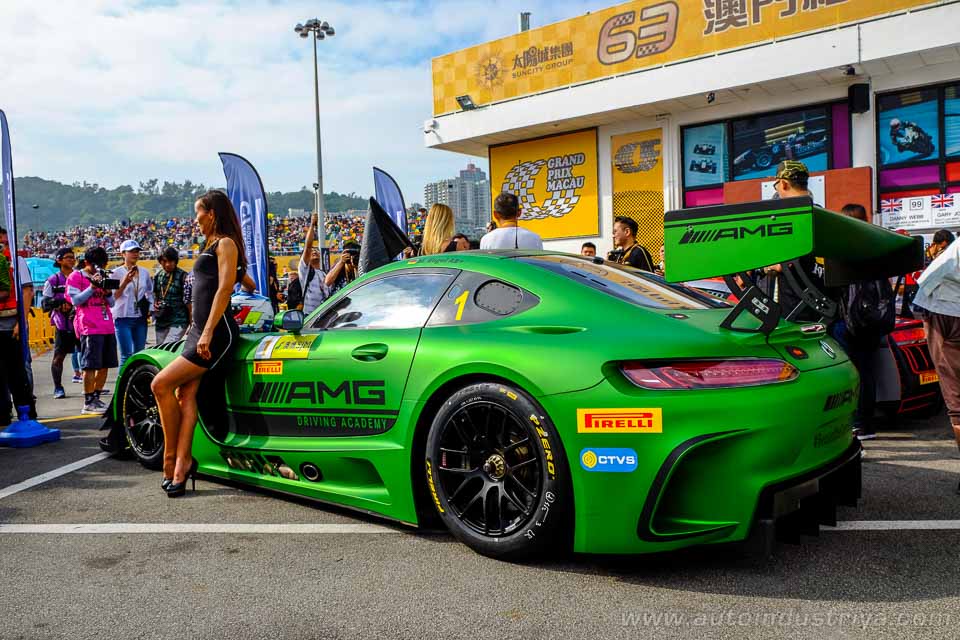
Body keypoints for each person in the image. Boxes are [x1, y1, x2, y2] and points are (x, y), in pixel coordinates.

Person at [150, 190, 247, 498]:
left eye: (198, 212)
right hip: (199, 330)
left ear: (212, 213)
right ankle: (183, 463)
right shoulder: (209, 245)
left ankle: (172, 459)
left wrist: (206, 333)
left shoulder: (226, 244)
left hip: (216, 333)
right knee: (185, 393)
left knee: (160, 384)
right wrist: (196, 329)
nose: (195, 219)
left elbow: (224, 290)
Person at [832, 203, 888, 441]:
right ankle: (866, 424)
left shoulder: (841, 248)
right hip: (872, 320)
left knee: (850, 373)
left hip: (847, 321)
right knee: (867, 372)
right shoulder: (875, 245)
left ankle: (854, 423)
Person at [912, 232, 960, 493]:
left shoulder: (952, 252)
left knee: (955, 399)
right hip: (944, 310)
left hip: (944, 312)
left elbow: (925, 282)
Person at [758, 160, 825, 321]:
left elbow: (782, 265)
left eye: (776, 185)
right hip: (823, 303)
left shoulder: (788, 220)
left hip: (794, 306)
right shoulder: (821, 214)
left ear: (783, 183)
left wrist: (764, 268)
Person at [67, 247, 118, 415]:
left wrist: (108, 292)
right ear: (86, 262)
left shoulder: (103, 275)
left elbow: (112, 303)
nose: (98, 269)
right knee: (90, 365)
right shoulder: (76, 276)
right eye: (95, 265)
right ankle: (88, 401)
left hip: (106, 325)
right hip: (89, 326)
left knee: (105, 365)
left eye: (102, 265)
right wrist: (92, 287)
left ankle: (96, 397)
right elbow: (75, 301)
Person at [0, 230, 34, 426]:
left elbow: (27, 291)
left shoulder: (16, 261)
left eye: (4, 243)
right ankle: (3, 414)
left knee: (19, 371)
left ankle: (27, 412)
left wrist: (21, 322)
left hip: (12, 324)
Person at [42, 248, 78, 399]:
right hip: (62, 324)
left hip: (81, 323)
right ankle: (58, 388)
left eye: (73, 257)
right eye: (68, 257)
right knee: (59, 357)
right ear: (59, 260)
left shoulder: (80, 277)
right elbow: (44, 304)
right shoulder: (53, 281)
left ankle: (93, 388)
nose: (72, 259)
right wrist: (60, 303)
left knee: (88, 355)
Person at [112, 239, 154, 366]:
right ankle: (123, 379)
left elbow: (150, 291)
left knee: (139, 353)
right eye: (131, 251)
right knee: (126, 355)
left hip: (140, 318)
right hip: (122, 318)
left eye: (137, 251)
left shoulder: (144, 272)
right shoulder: (115, 273)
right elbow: (113, 297)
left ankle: (136, 378)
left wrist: (151, 306)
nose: (135, 254)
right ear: (123, 254)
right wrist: (124, 282)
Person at [153, 247, 190, 344]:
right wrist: (155, 303)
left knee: (168, 347)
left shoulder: (183, 276)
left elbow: (189, 302)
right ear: (160, 261)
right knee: (160, 349)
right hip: (161, 321)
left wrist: (192, 322)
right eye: (164, 261)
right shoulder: (158, 276)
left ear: (175, 261)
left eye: (170, 261)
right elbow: (156, 295)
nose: (167, 264)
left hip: (179, 320)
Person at [298, 212, 328, 315]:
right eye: (312, 251)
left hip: (323, 316)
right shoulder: (305, 270)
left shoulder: (324, 274)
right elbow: (308, 247)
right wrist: (312, 225)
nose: (314, 251)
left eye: (316, 250)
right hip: (309, 315)